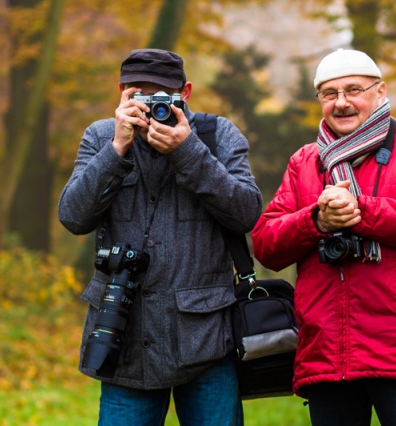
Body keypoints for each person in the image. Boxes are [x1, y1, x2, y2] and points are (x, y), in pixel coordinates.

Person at [251, 48, 396, 425]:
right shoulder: (305, 161)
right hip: (327, 353)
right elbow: (267, 243)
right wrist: (317, 220)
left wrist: (361, 211)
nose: (342, 102)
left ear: (380, 92)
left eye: (353, 90)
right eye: (329, 94)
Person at [58, 48, 262, 426]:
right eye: (139, 94)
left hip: (205, 341)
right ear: (121, 91)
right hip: (124, 337)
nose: (150, 106)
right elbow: (72, 216)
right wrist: (117, 148)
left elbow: (247, 213)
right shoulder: (101, 136)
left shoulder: (217, 136)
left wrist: (188, 152)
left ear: (184, 93)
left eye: (161, 96)